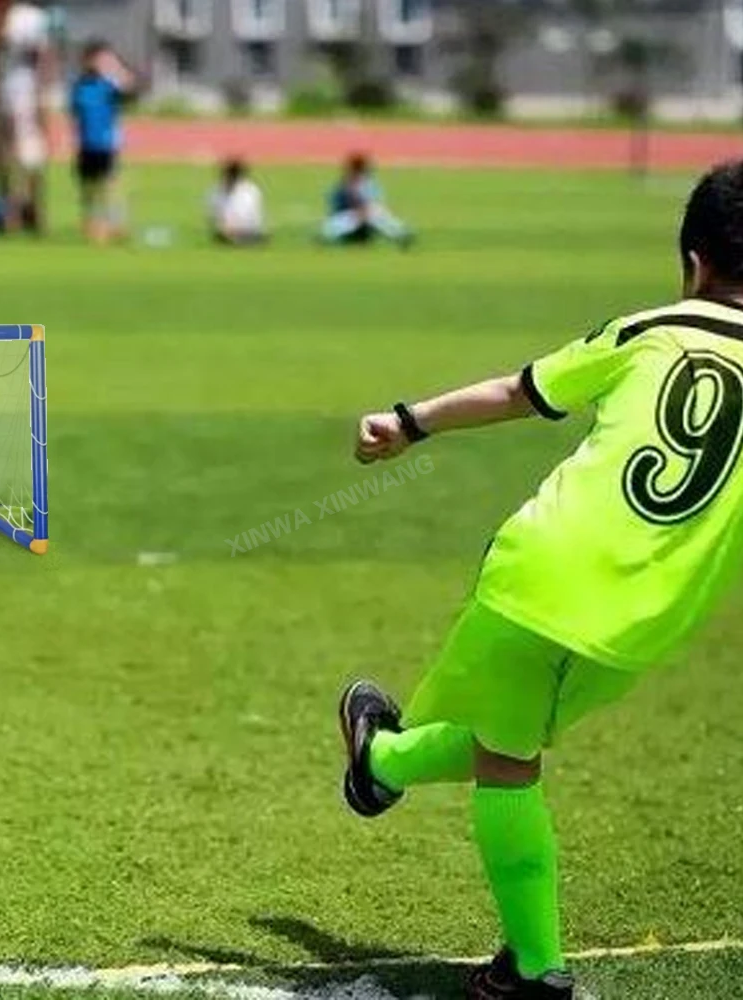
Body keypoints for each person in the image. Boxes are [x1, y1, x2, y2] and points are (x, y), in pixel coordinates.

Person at [341, 160, 743, 1000]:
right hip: (651, 619)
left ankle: (532, 963)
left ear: (694, 261)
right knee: (511, 736)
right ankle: (383, 767)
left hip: (543, 573)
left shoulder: (649, 329)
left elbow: (518, 391)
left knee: (506, 756)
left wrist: (410, 422)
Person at [0, 0, 53, 234]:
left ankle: (34, 208)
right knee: (0, 158)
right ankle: (7, 211)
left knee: (29, 155)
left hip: (24, 95)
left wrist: (42, 96)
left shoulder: (31, 18)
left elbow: (43, 59)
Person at [69, 40, 135, 245]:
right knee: (88, 189)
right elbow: (75, 114)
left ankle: (116, 225)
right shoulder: (79, 86)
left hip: (106, 145)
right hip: (86, 145)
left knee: (110, 187)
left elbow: (130, 88)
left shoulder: (109, 85)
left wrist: (114, 66)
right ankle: (91, 225)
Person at [322, 153, 412, 248]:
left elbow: (375, 204)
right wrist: (360, 211)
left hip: (364, 223)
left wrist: (364, 212)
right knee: (357, 218)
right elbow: (337, 210)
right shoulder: (343, 186)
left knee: (374, 213)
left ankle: (400, 234)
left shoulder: (368, 184)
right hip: (349, 222)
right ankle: (399, 234)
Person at [208, 158, 266, 246]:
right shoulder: (216, 190)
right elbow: (214, 215)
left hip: (247, 230)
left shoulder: (249, 190)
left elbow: (252, 216)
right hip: (229, 231)